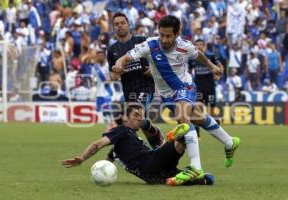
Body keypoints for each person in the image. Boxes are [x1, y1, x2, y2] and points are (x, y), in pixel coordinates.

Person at [112, 15, 240, 185]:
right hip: (167, 96)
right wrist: (119, 64)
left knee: (184, 120)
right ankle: (230, 142)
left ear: (177, 34)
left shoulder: (184, 46)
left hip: (184, 87)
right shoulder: (149, 45)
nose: (164, 39)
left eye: (168, 36)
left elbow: (198, 54)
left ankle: (196, 167)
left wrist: (212, 66)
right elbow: (126, 57)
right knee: (199, 119)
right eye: (162, 35)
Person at [62, 104, 215, 186]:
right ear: (125, 118)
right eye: (135, 115)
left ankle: (180, 139)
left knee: (207, 180)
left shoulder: (119, 148)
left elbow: (108, 159)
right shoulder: (122, 130)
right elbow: (98, 144)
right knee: (186, 129)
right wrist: (82, 158)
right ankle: (181, 134)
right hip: (152, 161)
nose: (139, 118)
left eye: (141, 116)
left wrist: (105, 166)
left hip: (153, 175)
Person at [107, 12, 163, 148]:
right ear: (113, 28)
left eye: (122, 23)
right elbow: (112, 76)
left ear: (128, 24)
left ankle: (153, 139)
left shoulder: (142, 40)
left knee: (135, 117)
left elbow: (160, 60)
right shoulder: (112, 49)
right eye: (116, 24)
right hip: (129, 91)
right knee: (140, 122)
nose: (120, 26)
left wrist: (153, 71)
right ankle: (157, 148)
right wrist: (117, 72)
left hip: (145, 86)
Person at [188, 39, 224, 136]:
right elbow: (189, 71)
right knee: (197, 108)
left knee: (211, 111)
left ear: (204, 46)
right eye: (197, 44)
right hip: (198, 85)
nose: (199, 46)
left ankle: (217, 126)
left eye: (201, 44)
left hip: (209, 85)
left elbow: (220, 66)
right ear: (194, 46)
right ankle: (197, 133)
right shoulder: (192, 58)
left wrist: (218, 75)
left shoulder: (211, 56)